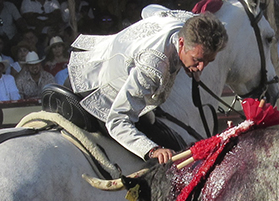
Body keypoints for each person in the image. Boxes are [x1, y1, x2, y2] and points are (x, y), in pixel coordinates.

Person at [68, 8, 228, 163]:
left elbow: (149, 9)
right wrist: (152, 150)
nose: (201, 67)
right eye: (197, 60)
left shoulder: (186, 22)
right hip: (96, 90)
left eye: (208, 61)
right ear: (181, 42)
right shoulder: (153, 67)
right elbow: (117, 120)